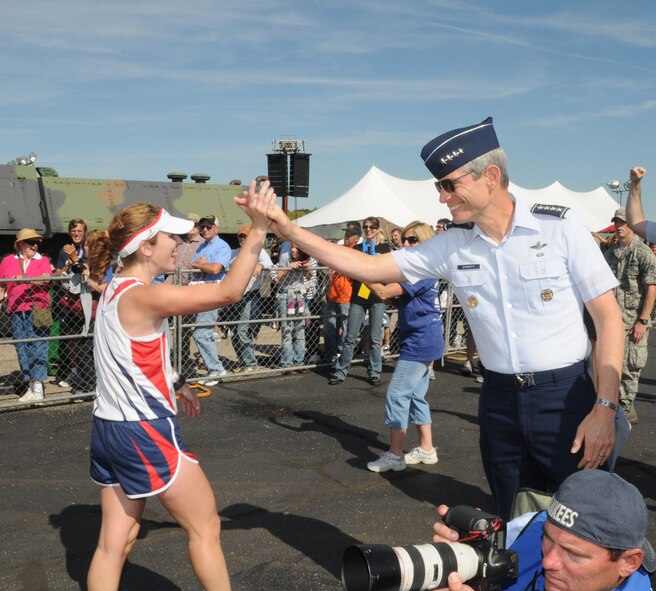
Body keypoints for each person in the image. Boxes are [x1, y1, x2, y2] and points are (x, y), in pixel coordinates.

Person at [264, 116, 624, 520]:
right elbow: (369, 268)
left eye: (450, 184)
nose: (443, 198)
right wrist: (290, 231)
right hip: (499, 400)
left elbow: (608, 318)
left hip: (565, 398)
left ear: (490, 176)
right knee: (513, 516)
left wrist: (605, 407)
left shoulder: (559, 226)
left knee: (582, 521)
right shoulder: (453, 246)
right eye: (439, 187)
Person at [85, 181, 277, 591]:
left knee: (113, 544)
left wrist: (178, 380)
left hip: (108, 428)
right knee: (205, 527)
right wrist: (258, 229)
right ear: (145, 247)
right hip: (144, 430)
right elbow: (229, 291)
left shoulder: (113, 290)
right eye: (170, 236)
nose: (180, 242)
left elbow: (129, 352)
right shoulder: (143, 296)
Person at [432, 470, 655, 591]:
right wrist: (467, 559)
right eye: (547, 538)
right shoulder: (532, 526)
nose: (549, 562)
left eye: (574, 554)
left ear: (629, 562)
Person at [365, 222, 443, 473]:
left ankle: (395, 455)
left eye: (412, 240)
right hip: (424, 339)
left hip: (420, 342)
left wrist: (361, 272)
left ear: (426, 242)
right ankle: (426, 449)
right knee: (416, 396)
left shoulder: (420, 271)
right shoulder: (420, 269)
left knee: (397, 395)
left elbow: (385, 291)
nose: (406, 244)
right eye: (404, 240)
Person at [603, 208, 656, 425]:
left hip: (635, 321)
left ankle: (626, 409)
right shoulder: (609, 254)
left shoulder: (644, 253)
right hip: (613, 322)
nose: (618, 227)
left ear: (632, 226)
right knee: (612, 365)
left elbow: (652, 289)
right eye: (616, 222)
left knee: (631, 368)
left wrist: (643, 321)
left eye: (623, 223)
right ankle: (618, 408)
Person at [328, 216, 392, 387]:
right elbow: (347, 264)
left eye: (372, 227)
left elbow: (390, 270)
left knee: (375, 337)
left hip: (377, 297)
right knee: (350, 336)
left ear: (378, 229)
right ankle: (341, 371)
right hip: (359, 297)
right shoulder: (357, 247)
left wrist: (380, 260)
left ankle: (374, 371)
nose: (369, 229)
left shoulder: (385, 248)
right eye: (366, 227)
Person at [0, 228, 53, 403]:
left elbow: (46, 278)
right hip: (15, 310)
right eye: (31, 242)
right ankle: (31, 385)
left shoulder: (42, 260)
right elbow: (1, 285)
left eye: (37, 242)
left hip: (37, 309)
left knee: (37, 346)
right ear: (20, 244)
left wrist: (24, 280)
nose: (35, 245)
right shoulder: (8, 261)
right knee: (22, 348)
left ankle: (38, 388)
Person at [190, 214, 232, 386]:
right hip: (200, 293)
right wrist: (199, 265)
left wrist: (199, 265)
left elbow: (215, 269)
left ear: (216, 228)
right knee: (202, 333)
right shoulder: (201, 247)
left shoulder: (222, 246)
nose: (204, 229)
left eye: (208, 226)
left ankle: (216, 369)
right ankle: (213, 369)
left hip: (212, 293)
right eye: (202, 227)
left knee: (201, 333)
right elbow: (192, 267)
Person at [229, 224, 272, 372]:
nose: (242, 238)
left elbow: (269, 264)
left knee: (243, 330)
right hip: (233, 296)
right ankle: (243, 362)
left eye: (245, 236)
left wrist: (260, 264)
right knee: (234, 331)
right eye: (240, 236)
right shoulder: (233, 252)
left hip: (249, 296)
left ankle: (251, 364)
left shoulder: (258, 250)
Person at [54, 218, 88, 389]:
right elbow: (58, 275)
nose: (76, 234)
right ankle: (74, 372)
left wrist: (77, 259)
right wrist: (68, 262)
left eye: (80, 231)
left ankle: (87, 372)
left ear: (84, 232)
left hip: (89, 298)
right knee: (72, 337)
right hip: (72, 300)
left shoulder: (90, 249)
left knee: (89, 337)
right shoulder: (64, 251)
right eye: (74, 231)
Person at [271, 243, 316, 371]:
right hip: (286, 296)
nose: (294, 250)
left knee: (300, 330)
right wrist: (288, 267)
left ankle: (299, 361)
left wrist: (307, 267)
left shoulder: (306, 256)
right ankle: (287, 363)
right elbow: (278, 279)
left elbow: (310, 276)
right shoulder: (285, 256)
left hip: (300, 296)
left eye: (296, 247)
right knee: (287, 331)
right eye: (292, 247)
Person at [322, 221, 360, 364]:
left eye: (350, 234)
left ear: (356, 238)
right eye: (346, 233)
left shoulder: (357, 251)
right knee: (329, 327)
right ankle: (330, 355)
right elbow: (329, 263)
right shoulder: (339, 249)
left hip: (347, 296)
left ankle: (343, 356)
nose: (346, 236)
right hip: (333, 294)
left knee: (346, 329)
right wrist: (329, 269)